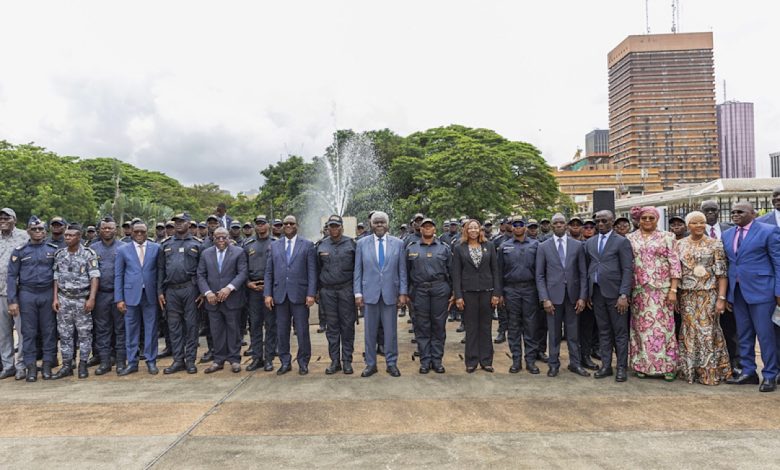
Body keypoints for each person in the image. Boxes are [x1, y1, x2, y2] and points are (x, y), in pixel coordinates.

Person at [723, 201, 780, 392]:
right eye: (733, 212)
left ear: (753, 214)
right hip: (737, 293)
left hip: (763, 291)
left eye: (740, 211)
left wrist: (778, 292)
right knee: (744, 335)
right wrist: (728, 295)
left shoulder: (768, 231)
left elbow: (777, 263)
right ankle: (749, 372)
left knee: (765, 336)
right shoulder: (727, 234)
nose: (735, 215)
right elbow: (731, 264)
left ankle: (770, 375)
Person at [626, 207, 682, 381]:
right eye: (644, 218)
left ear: (657, 219)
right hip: (639, 290)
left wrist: (673, 289)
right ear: (638, 220)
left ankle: (667, 367)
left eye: (651, 217)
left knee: (664, 329)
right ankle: (641, 365)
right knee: (640, 329)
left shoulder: (667, 237)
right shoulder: (630, 238)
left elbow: (675, 264)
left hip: (662, 290)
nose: (647, 220)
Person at [675, 211, 731, 385]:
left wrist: (721, 298)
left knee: (708, 331)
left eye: (702, 223)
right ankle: (689, 370)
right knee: (690, 331)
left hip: (709, 294)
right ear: (687, 225)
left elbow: (722, 273)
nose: (699, 226)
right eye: (694, 223)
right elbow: (676, 272)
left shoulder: (715, 244)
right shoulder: (679, 244)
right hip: (687, 295)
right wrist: (675, 294)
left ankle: (710, 372)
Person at [354, 211, 408, 377]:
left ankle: (391, 363)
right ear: (371, 224)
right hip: (369, 294)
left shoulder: (398, 244)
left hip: (390, 294)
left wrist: (403, 292)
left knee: (391, 332)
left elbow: (402, 270)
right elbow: (358, 270)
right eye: (376, 222)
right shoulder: (362, 243)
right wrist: (357, 293)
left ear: (387, 225)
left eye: (382, 222)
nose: (379, 225)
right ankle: (371, 364)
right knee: (369, 332)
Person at [536, 213, 590, 377]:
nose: (559, 225)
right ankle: (553, 364)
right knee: (554, 333)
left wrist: (582, 297)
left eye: (561, 223)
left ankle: (575, 363)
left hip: (573, 296)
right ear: (551, 226)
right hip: (552, 297)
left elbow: (583, 273)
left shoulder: (577, 245)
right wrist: (544, 298)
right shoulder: (543, 246)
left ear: (566, 225)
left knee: (573, 333)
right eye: (555, 223)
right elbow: (540, 275)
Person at [6, 216, 58, 381]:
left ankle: (48, 365)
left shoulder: (53, 249)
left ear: (45, 231)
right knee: (28, 332)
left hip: (47, 292)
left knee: (49, 331)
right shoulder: (19, 251)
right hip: (27, 294)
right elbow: (12, 277)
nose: (37, 232)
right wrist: (12, 301)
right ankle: (31, 367)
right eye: (34, 229)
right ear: (28, 231)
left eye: (40, 229)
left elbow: (58, 275)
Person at [584, 210, 634, 382]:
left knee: (620, 332)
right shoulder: (590, 242)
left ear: (612, 222)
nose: (600, 224)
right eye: (597, 221)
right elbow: (588, 268)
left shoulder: (621, 242)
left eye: (604, 221)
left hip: (616, 294)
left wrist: (624, 294)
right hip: (597, 293)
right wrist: (588, 293)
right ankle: (606, 366)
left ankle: (621, 367)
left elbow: (628, 269)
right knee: (603, 331)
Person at [264, 215, 317, 375]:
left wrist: (311, 293)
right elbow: (269, 272)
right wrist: (267, 294)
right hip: (280, 295)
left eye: (291, 223)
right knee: (282, 331)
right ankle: (285, 362)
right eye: (285, 223)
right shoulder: (274, 246)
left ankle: (303, 362)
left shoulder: (307, 245)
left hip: (300, 295)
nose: (288, 225)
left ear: (297, 225)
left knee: (302, 331)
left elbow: (312, 272)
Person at [451, 219, 500, 372]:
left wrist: (496, 293)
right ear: (465, 230)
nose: (473, 230)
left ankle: (486, 361)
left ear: (480, 230)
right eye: (470, 228)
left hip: (487, 292)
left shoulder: (489, 246)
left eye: (475, 228)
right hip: (468, 293)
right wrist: (458, 296)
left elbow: (495, 271)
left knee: (486, 327)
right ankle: (471, 361)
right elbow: (456, 274)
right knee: (471, 327)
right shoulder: (459, 248)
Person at [52, 224, 100, 379]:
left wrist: (91, 298)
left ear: (79, 237)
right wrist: (55, 298)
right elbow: (56, 277)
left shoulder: (88, 254)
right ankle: (67, 365)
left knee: (84, 334)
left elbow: (94, 277)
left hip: (81, 299)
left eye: (71, 235)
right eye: (66, 235)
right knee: (65, 334)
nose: (67, 238)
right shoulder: (60, 254)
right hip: (64, 299)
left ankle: (83, 364)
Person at [198, 227, 248, 374]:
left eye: (224, 237)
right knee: (216, 331)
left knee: (234, 330)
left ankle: (234, 359)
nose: (221, 240)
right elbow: (200, 275)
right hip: (212, 300)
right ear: (213, 238)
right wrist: (207, 292)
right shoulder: (206, 254)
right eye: (217, 237)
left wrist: (229, 288)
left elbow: (242, 273)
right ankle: (218, 360)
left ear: (228, 237)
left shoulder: (238, 252)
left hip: (232, 299)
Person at [406, 218, 452, 374]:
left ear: (434, 229)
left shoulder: (444, 248)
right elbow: (405, 272)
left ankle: (437, 360)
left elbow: (451, 272)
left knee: (438, 325)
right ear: (420, 230)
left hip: (440, 289)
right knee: (422, 326)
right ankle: (425, 361)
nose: (427, 229)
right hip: (419, 291)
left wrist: (453, 292)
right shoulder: (411, 248)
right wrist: (406, 293)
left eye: (430, 226)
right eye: (424, 227)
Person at [157, 213, 202, 375]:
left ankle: (190, 361)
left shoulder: (197, 244)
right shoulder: (166, 244)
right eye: (176, 222)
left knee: (191, 326)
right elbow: (160, 269)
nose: (178, 224)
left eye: (182, 222)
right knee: (174, 327)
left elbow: (202, 271)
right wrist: (159, 292)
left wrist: (202, 292)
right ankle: (178, 360)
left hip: (190, 289)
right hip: (171, 290)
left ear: (189, 224)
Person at [497, 216, 542, 374]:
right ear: (511, 227)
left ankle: (530, 361)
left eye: (520, 224)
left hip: (530, 290)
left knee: (531, 326)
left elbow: (541, 271)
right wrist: (500, 293)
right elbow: (499, 272)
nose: (517, 227)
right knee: (514, 326)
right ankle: (516, 360)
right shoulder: (504, 246)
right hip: (511, 290)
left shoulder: (536, 245)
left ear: (525, 227)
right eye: (514, 225)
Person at [115, 223, 160, 376]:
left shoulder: (156, 248)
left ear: (147, 232)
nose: (139, 234)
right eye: (136, 231)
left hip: (150, 295)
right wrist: (119, 298)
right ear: (131, 233)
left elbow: (160, 273)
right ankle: (132, 362)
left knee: (151, 330)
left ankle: (151, 361)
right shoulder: (122, 250)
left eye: (142, 231)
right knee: (131, 330)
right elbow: (119, 275)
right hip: (130, 296)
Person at [316, 215, 357, 375]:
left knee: (347, 326)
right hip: (328, 292)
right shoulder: (320, 246)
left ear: (342, 227)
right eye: (331, 226)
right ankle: (335, 361)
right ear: (327, 228)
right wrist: (317, 291)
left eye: (337, 226)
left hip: (346, 290)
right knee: (332, 328)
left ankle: (347, 361)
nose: (334, 229)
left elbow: (357, 270)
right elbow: (317, 269)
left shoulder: (352, 244)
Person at [701, 200, 738, 369]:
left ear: (718, 211)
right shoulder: (692, 232)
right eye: (706, 210)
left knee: (730, 327)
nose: (710, 213)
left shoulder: (730, 230)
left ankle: (733, 362)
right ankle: (710, 362)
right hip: (702, 287)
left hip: (729, 285)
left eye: (713, 210)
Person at [89, 216, 126, 375]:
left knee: (120, 329)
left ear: (116, 230)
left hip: (119, 295)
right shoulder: (93, 248)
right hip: (100, 295)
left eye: (110, 228)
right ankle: (105, 362)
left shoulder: (124, 247)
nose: (107, 230)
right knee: (102, 329)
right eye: (104, 228)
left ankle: (120, 362)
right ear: (99, 230)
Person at [243, 215, 276, 372]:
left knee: (270, 326)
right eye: (258, 224)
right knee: (255, 325)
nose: (260, 226)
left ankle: (269, 358)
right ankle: (257, 358)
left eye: (263, 223)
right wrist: (247, 282)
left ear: (268, 225)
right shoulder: (248, 244)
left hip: (270, 291)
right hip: (253, 290)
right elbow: (242, 268)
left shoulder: (275, 244)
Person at [0, 208, 30, 380]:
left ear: (15, 220)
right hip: (0, 293)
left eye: (7, 217)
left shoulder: (23, 237)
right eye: (1, 218)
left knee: (22, 331)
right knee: (3, 333)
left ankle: (21, 365)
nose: (3, 220)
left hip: (18, 293)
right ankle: (8, 365)